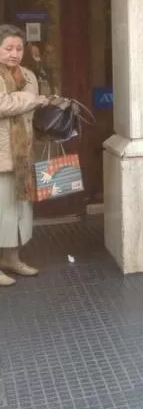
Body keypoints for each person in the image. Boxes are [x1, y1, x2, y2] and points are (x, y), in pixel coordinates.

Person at [0, 25, 51, 287]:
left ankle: (11, 258)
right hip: (1, 157)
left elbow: (39, 98)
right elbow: (3, 104)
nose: (14, 53)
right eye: (8, 48)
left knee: (17, 211)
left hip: (22, 156)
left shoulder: (29, 75)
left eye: (19, 48)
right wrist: (32, 100)